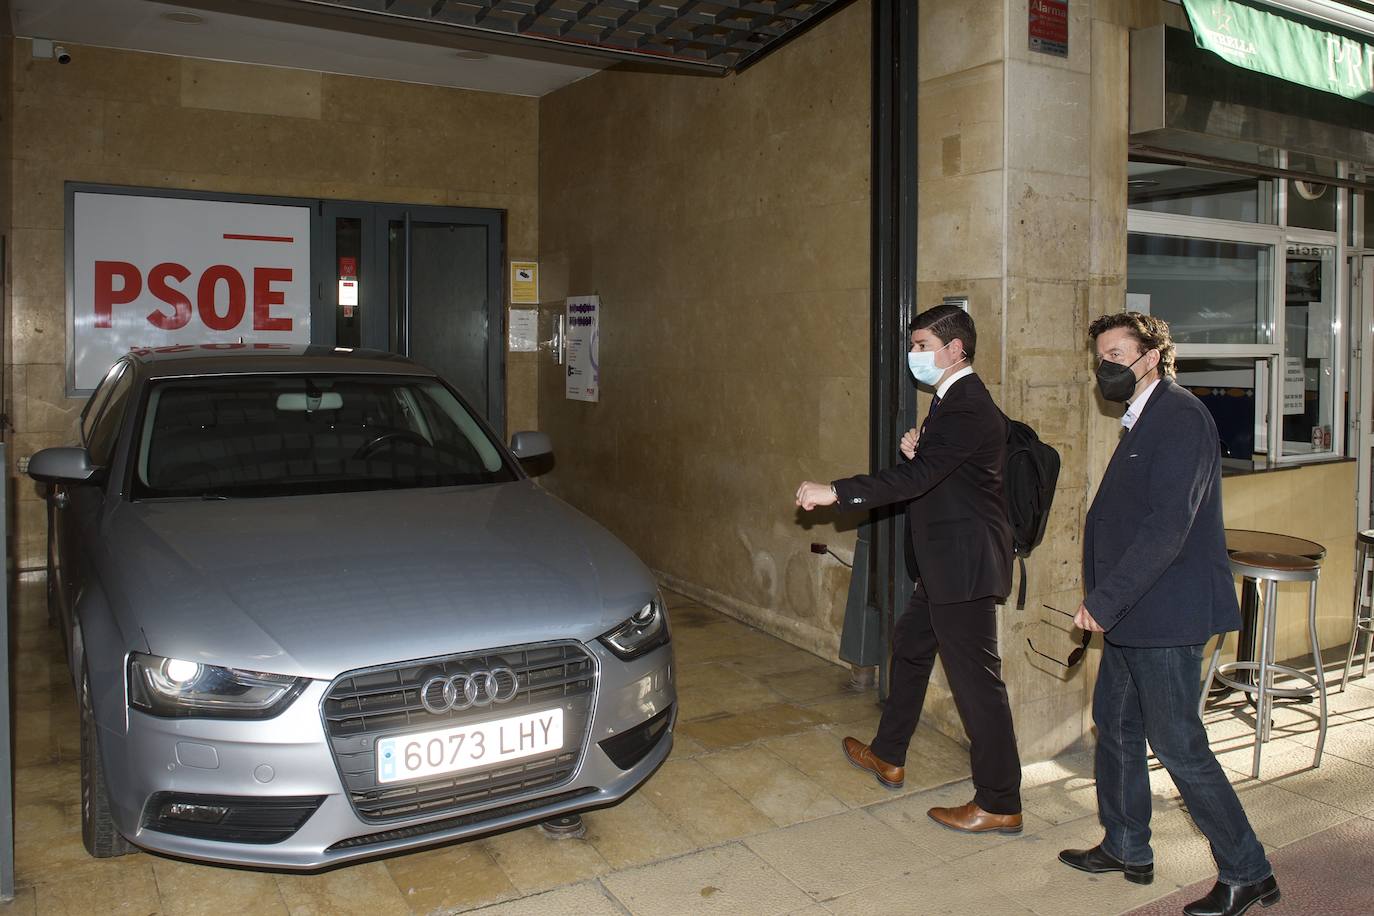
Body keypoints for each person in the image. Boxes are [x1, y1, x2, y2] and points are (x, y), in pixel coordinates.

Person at [1059, 312, 1278, 916]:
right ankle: (1127, 845)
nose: (1106, 365)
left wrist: (1104, 600)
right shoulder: (1145, 418)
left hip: (1167, 611)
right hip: (1138, 612)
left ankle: (1247, 870)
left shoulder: (1180, 416)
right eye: (1099, 354)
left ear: (1151, 356)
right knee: (1116, 722)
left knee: (1178, 743)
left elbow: (1166, 526)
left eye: (1117, 353)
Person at [795, 303, 1022, 834]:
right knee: (912, 645)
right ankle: (889, 753)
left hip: (963, 568)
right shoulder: (951, 403)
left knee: (977, 686)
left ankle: (1000, 800)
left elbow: (916, 482)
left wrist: (838, 492)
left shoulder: (966, 405)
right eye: (913, 345)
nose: (913, 354)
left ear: (954, 350)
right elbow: (944, 471)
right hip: (948, 564)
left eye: (922, 345)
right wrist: (921, 449)